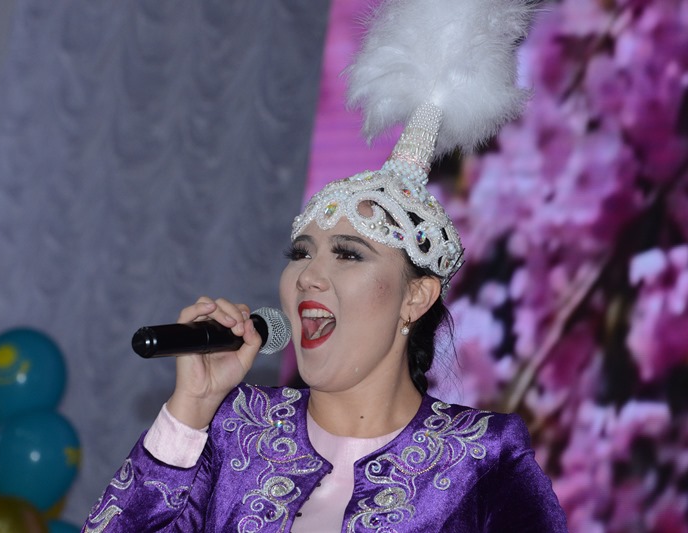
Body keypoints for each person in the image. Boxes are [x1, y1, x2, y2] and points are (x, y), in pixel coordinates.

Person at [82, 0, 569, 531]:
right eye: (301, 253)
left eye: (348, 254)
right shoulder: (236, 430)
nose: (309, 275)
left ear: (416, 296)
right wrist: (190, 409)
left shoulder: (483, 458)